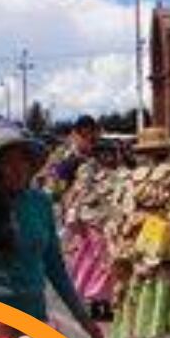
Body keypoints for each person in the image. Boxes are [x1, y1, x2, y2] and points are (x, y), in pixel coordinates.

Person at [0, 124, 104, 338]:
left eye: (22, 160)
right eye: (8, 162)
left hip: (35, 319)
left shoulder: (40, 203)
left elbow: (56, 268)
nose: (18, 168)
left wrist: (84, 320)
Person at [111, 126, 170, 338]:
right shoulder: (136, 174)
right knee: (145, 285)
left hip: (163, 232)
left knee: (168, 285)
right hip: (142, 234)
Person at [55, 116, 119, 323]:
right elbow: (58, 176)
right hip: (81, 220)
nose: (88, 136)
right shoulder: (69, 155)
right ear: (77, 133)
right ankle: (93, 301)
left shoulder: (108, 160)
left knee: (106, 261)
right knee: (86, 260)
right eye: (83, 132)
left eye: (91, 131)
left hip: (106, 219)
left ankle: (105, 301)